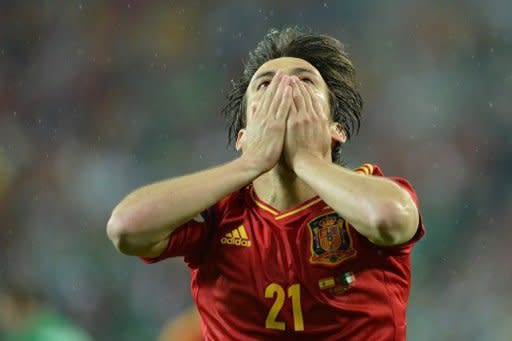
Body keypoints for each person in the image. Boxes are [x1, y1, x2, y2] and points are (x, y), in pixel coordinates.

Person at [107, 26, 425, 340]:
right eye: (265, 85)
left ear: (335, 129)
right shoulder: (220, 214)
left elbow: (390, 218)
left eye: (304, 81)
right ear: (244, 136)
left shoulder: (369, 193)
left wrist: (307, 161)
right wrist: (250, 163)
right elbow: (126, 228)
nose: (284, 89)